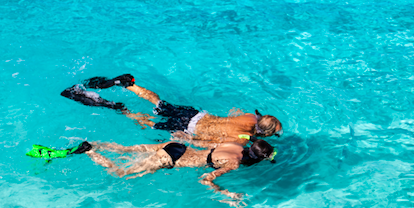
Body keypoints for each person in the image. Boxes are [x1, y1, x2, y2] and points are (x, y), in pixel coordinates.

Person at [27, 138, 277, 207]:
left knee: (125, 149)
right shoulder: (234, 164)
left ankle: (91, 144)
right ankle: (90, 151)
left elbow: (204, 143)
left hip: (175, 146)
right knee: (120, 173)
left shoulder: (235, 144)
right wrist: (226, 193)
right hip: (170, 159)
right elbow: (205, 178)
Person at [61, 74, 283, 145]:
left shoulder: (247, 117)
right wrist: (185, 140)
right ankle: (117, 108)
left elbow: (235, 111)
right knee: (147, 121)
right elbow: (205, 142)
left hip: (196, 114)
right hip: (188, 127)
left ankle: (129, 84)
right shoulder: (241, 139)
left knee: (159, 103)